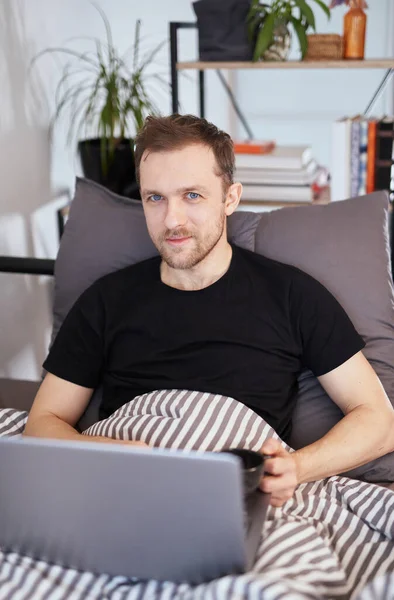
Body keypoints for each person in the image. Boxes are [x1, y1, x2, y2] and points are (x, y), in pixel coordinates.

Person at [24, 114, 394, 507]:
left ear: (230, 198)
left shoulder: (293, 295)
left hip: (241, 496)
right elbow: (42, 423)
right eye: (155, 198)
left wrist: (297, 467)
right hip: (120, 490)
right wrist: (115, 456)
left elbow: (379, 420)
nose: (172, 220)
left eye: (192, 195)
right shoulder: (105, 300)